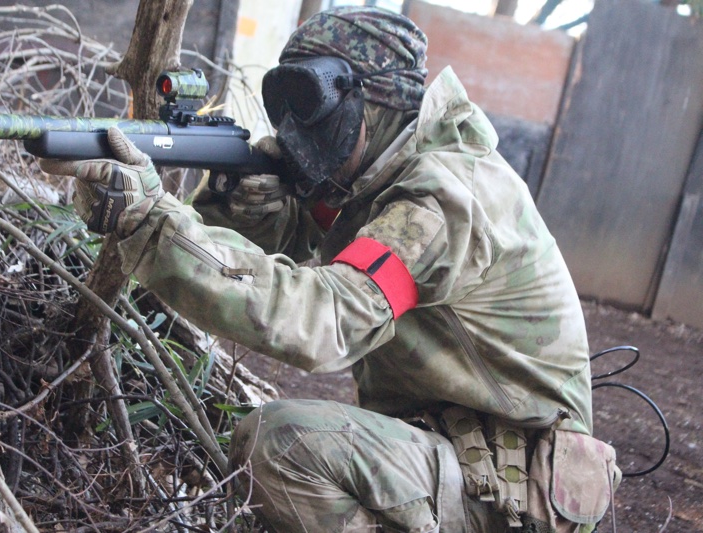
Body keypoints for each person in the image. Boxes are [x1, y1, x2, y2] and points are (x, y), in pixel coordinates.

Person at [39, 6, 620, 532]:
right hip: (458, 457)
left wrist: (151, 221)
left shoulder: (440, 201)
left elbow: (321, 321)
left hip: (516, 493)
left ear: (374, 101)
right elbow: (296, 259)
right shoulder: (385, 180)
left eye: (311, 108)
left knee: (283, 443)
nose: (295, 134)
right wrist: (259, 212)